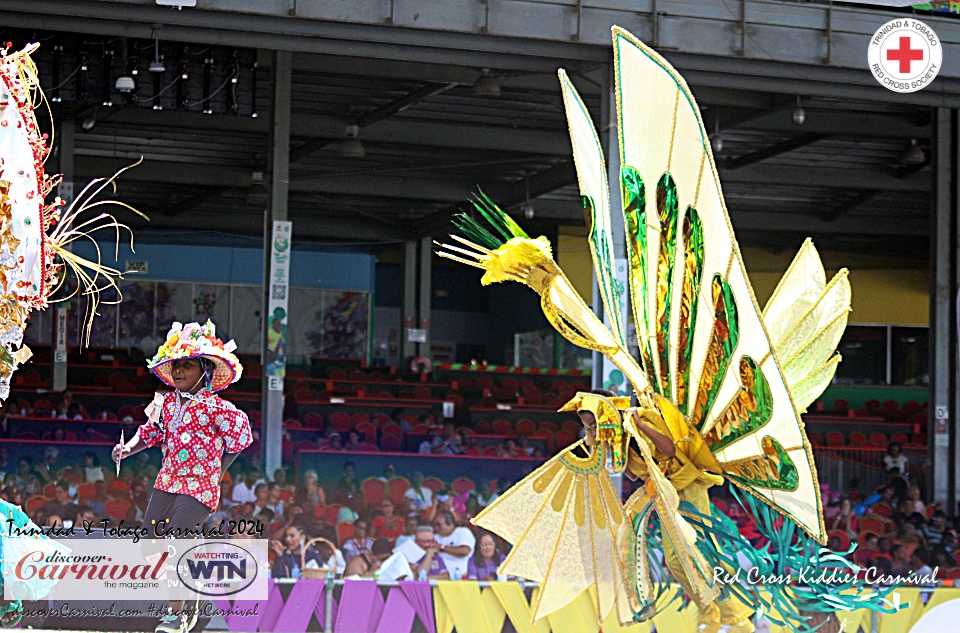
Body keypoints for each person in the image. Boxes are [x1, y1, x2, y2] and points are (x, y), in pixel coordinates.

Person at [113, 321, 251, 633]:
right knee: (150, 544)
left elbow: (241, 438)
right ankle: (195, 569)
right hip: (167, 482)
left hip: (200, 486)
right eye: (175, 366)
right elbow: (149, 433)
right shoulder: (163, 402)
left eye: (186, 366)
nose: (178, 372)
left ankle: (176, 616)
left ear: (204, 369)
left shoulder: (219, 408)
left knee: (175, 543)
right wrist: (127, 449)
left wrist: (217, 473)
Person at [432, 510, 475, 579]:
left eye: (439, 524)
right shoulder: (436, 537)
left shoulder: (462, 531)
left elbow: (464, 551)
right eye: (435, 525)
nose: (436, 528)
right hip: (439, 575)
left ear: (450, 523)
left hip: (460, 575)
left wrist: (442, 547)